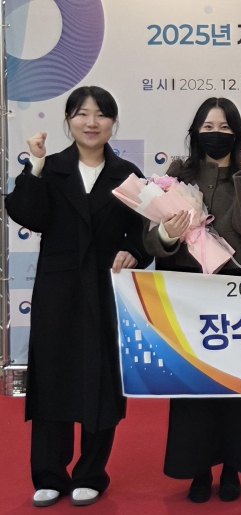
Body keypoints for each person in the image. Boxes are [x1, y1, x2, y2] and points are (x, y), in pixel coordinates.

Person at [5, 86, 152, 507]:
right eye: (82, 114)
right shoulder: (49, 168)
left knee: (100, 379)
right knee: (52, 377)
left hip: (106, 288)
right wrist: (34, 165)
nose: (91, 123)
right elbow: (29, 215)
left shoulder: (126, 173)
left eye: (101, 114)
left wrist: (134, 252)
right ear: (68, 120)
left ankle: (91, 472)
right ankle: (49, 473)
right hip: (58, 289)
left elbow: (142, 233)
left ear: (113, 123)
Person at [144, 97, 241, 503]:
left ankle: (234, 465)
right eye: (208, 127)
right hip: (188, 291)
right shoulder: (176, 173)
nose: (215, 134)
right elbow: (152, 240)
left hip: (238, 287)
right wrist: (168, 233)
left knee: (236, 381)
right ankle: (198, 467)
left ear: (236, 133)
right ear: (195, 131)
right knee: (194, 383)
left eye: (223, 128)